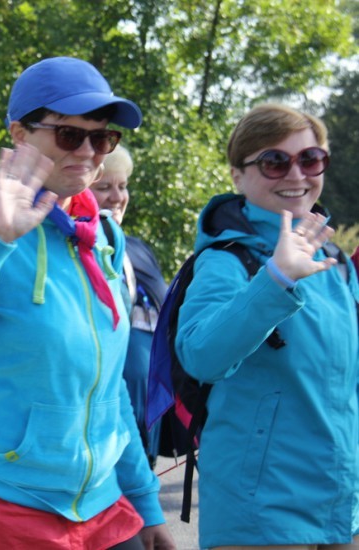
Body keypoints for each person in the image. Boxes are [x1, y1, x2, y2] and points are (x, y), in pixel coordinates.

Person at [0, 56, 175, 549]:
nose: (87, 151)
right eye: (69, 135)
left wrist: (145, 502)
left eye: (102, 138)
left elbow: (107, 390)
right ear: (19, 134)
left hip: (99, 505)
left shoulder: (103, 236)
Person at [175, 103, 359, 548]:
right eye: (275, 162)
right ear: (238, 176)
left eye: (310, 159)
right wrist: (275, 280)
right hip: (259, 510)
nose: (296, 175)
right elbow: (200, 355)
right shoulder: (226, 259)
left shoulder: (335, 263)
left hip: (342, 504)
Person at [91, 144, 167, 468]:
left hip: (149, 414)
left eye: (122, 186)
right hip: (106, 423)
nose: (117, 197)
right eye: (104, 187)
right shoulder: (77, 250)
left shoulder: (138, 249)